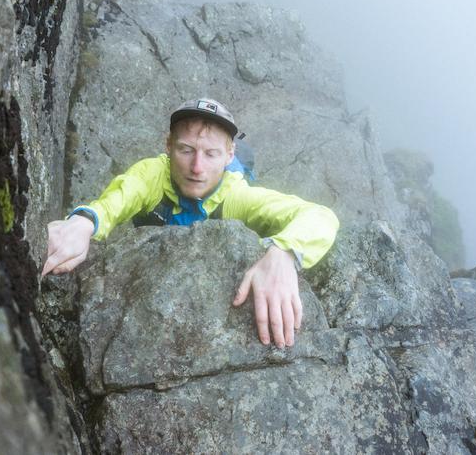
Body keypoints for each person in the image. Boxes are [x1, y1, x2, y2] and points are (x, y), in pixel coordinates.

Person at [41, 98, 339, 348]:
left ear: (229, 155)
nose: (197, 168)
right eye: (186, 150)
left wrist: (284, 253)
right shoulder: (153, 175)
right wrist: (83, 222)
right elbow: (116, 200)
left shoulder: (236, 196)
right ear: (168, 146)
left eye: (211, 154)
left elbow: (320, 217)